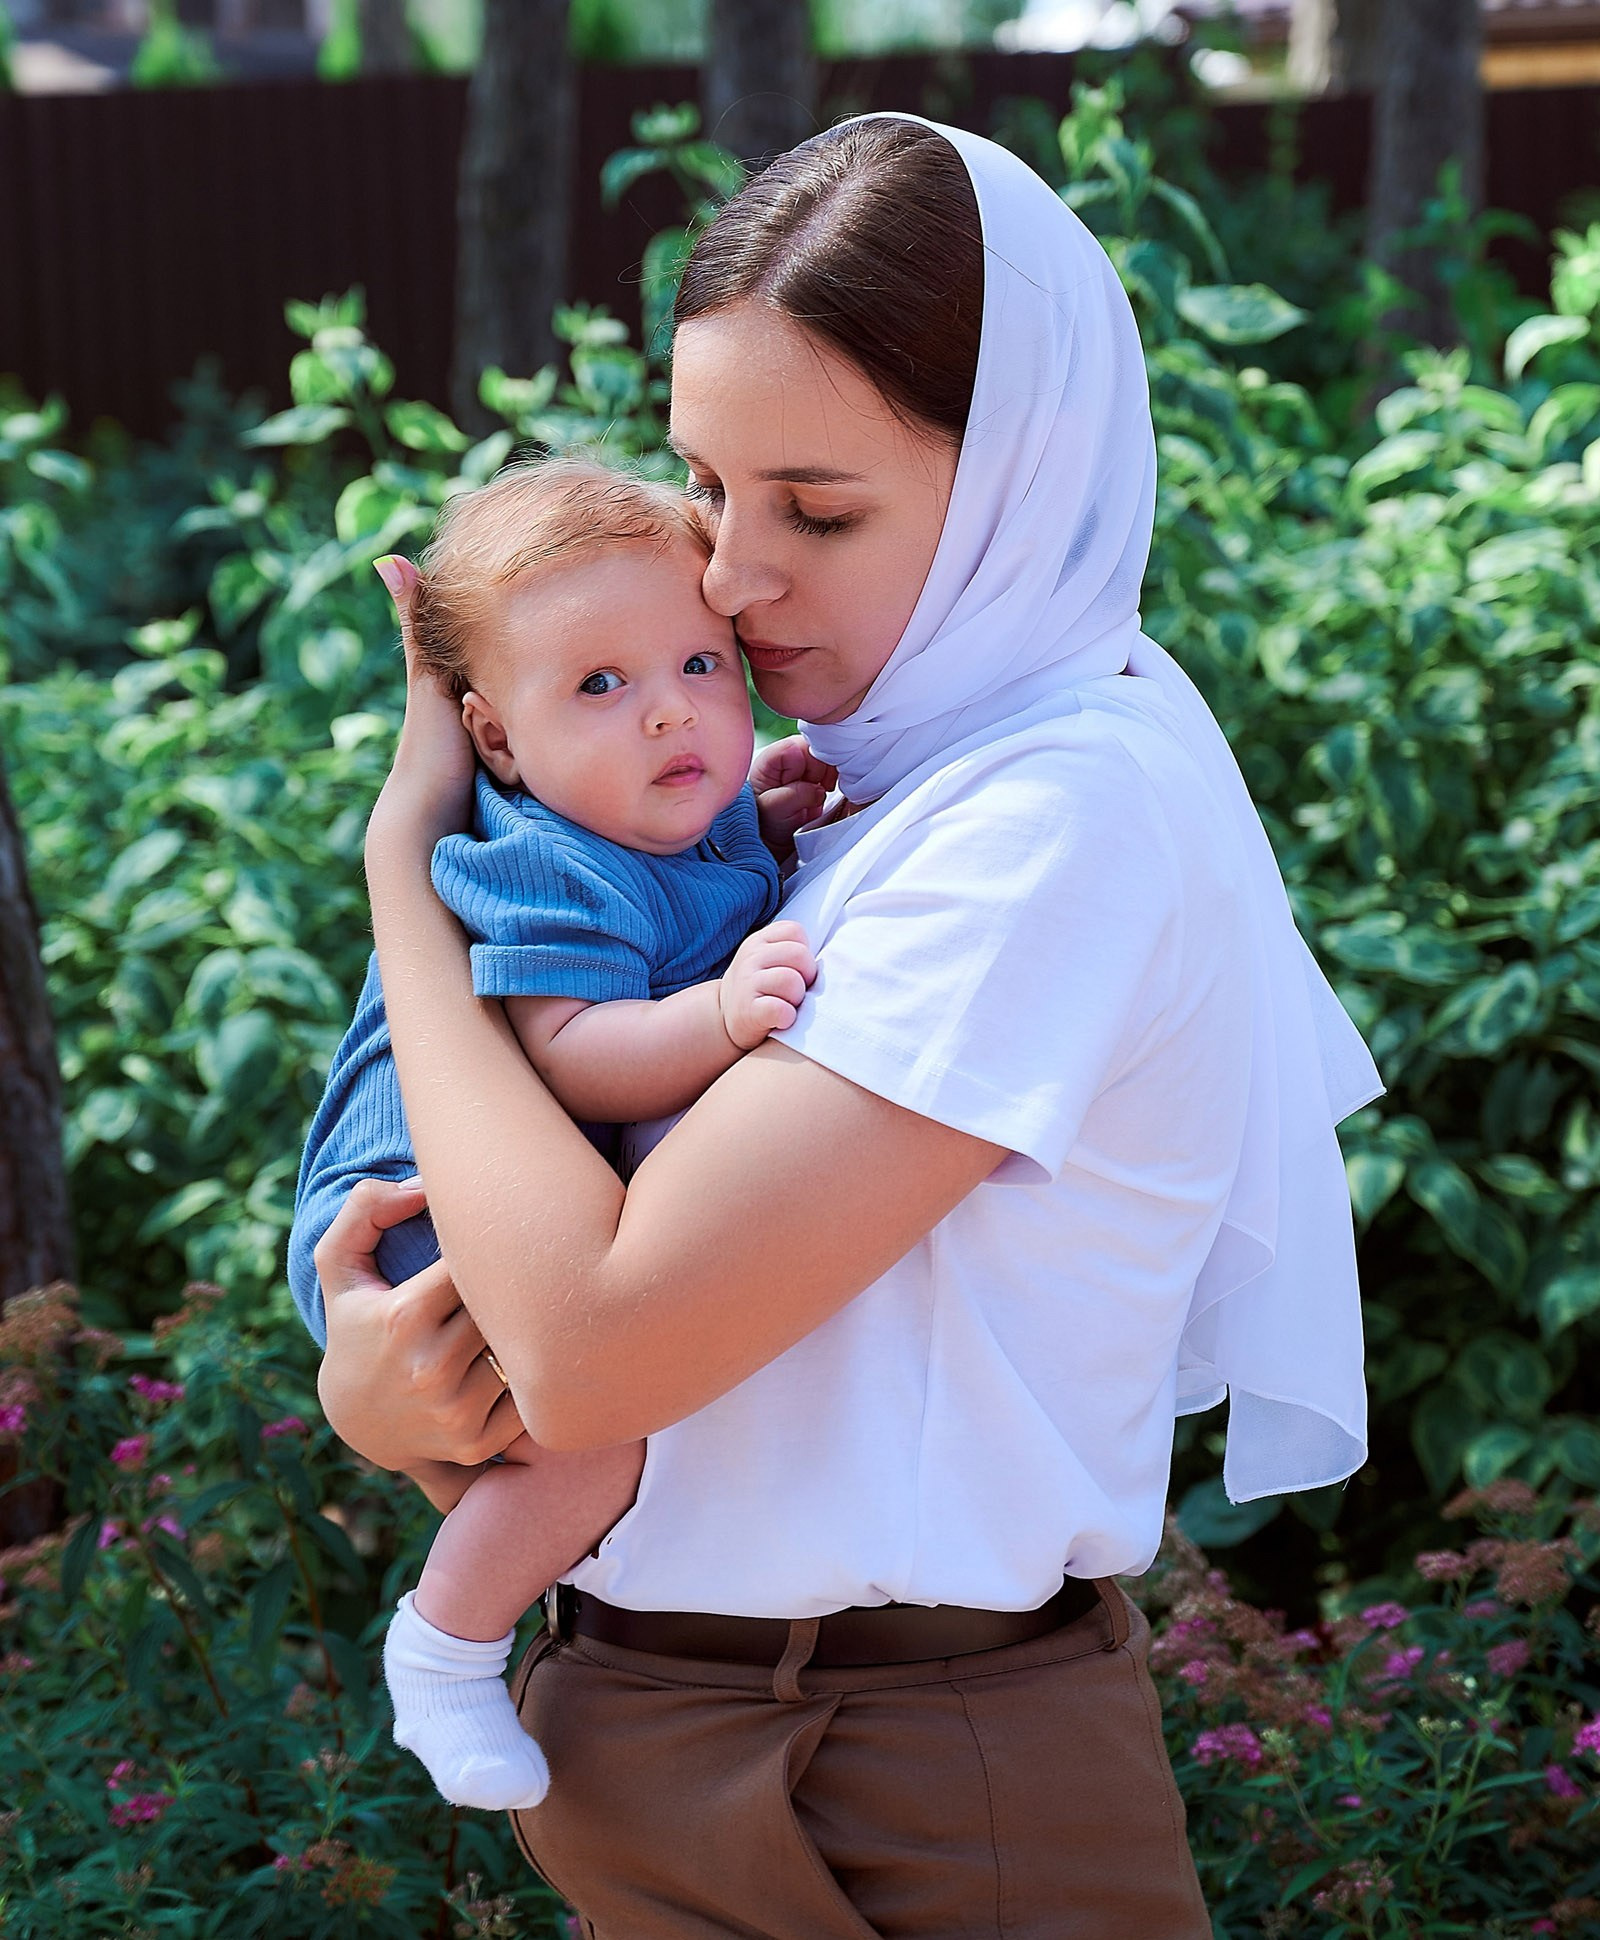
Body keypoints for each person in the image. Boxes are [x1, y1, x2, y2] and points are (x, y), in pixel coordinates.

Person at [290, 113, 1384, 1938]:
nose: (725, 575)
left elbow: (599, 1350)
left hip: (919, 1773)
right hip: (651, 1719)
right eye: (706, 486)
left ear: (1022, 476)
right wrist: (382, 1387)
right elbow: (581, 1320)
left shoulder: (1061, 815)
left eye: (819, 507)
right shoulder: (840, 784)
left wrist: (412, 870)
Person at [300, 456, 829, 1813]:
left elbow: (689, 886)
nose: (669, 715)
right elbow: (577, 1052)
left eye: (701, 666)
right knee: (597, 1430)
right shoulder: (548, 860)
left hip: (493, 1178)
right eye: (598, 687)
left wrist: (753, 817)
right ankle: (445, 1649)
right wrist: (720, 1015)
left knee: (599, 1411)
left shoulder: (659, 814)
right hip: (409, 1201)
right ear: (494, 742)